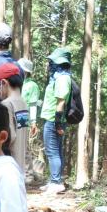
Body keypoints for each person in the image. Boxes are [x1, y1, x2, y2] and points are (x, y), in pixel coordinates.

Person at [40, 48, 73, 195]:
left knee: (52, 152)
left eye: (52, 62)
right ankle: (56, 180)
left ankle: (55, 182)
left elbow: (61, 102)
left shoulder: (62, 78)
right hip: (53, 119)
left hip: (54, 120)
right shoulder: (59, 77)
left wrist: (58, 123)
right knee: (56, 151)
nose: (50, 64)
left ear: (60, 63)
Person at [0, 63, 29, 172]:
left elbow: (8, 138)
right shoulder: (23, 103)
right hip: (20, 164)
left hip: (7, 165)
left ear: (3, 83)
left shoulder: (6, 105)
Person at [18, 57, 45, 181]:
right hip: (12, 115)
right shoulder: (17, 83)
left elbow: (33, 105)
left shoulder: (32, 85)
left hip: (23, 117)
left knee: (23, 145)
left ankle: (28, 174)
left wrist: (33, 122)